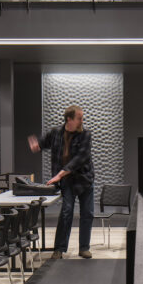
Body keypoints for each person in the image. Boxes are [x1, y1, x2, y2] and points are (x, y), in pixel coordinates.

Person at [28, 105, 95, 259]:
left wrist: (59, 175)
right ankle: (59, 249)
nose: (82, 121)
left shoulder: (85, 135)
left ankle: (84, 248)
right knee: (66, 213)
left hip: (84, 179)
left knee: (87, 213)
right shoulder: (56, 133)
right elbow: (43, 142)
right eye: (79, 118)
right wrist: (36, 145)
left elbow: (80, 159)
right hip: (68, 180)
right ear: (69, 119)